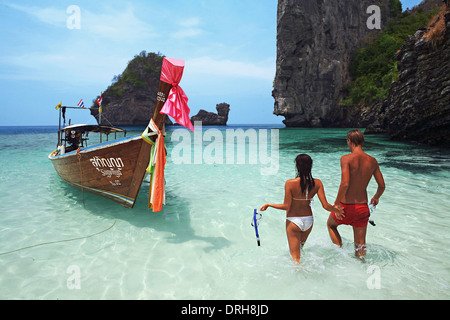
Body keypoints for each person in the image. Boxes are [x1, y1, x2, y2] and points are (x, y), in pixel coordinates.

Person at [260, 154, 344, 264]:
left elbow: (286, 206)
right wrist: (338, 211)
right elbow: (325, 205)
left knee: (295, 257)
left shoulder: (290, 183)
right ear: (310, 166)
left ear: (297, 166)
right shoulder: (317, 183)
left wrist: (269, 204)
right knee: (300, 250)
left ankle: (301, 277)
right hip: (309, 221)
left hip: (294, 221)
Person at [327, 129, 385, 259]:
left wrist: (336, 204)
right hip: (362, 208)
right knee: (360, 245)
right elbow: (382, 185)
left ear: (349, 141)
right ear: (362, 142)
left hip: (345, 207)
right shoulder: (372, 161)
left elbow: (345, 183)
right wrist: (376, 197)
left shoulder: (345, 159)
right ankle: (361, 267)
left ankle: (340, 254)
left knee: (331, 225)